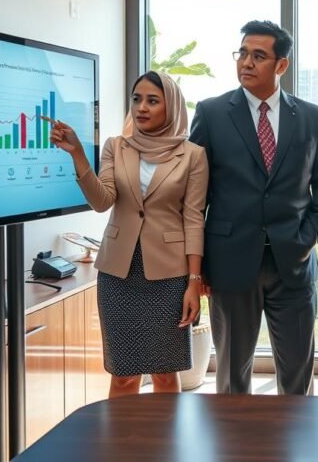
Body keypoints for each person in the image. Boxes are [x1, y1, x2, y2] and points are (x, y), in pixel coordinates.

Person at [190, 20, 318, 396]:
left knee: (297, 378)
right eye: (242, 53)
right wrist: (196, 267)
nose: (246, 62)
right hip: (229, 262)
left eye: (258, 56)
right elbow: (194, 192)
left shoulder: (310, 116)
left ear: (281, 65)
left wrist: (307, 237)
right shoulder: (210, 113)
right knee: (230, 378)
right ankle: (233, 450)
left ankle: (294, 449)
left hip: (294, 260)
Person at [50, 71, 208, 398]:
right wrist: (78, 154)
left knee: (165, 373)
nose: (142, 107)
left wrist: (194, 282)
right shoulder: (115, 147)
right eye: (137, 99)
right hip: (118, 275)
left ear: (172, 106)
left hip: (168, 276)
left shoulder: (193, 155)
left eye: (153, 100)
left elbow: (194, 220)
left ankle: (166, 448)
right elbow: (101, 201)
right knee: (123, 374)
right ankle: (122, 449)